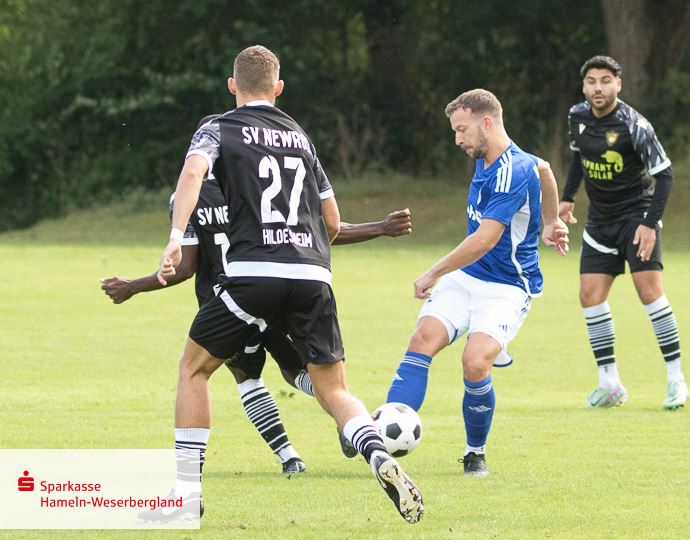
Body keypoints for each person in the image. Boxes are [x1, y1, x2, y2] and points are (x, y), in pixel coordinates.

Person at [141, 45, 423, 524]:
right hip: (314, 275)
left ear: (233, 86)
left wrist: (174, 237)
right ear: (278, 88)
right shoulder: (300, 136)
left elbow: (193, 172)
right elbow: (331, 222)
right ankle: (376, 453)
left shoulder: (218, 128)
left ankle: (187, 496)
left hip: (253, 273)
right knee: (333, 388)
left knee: (194, 369)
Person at [100, 125, 413, 474]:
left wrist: (134, 285)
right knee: (302, 372)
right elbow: (317, 230)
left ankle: (285, 457)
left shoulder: (186, 198)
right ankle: (354, 426)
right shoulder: (254, 182)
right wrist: (379, 228)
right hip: (281, 290)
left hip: (228, 298)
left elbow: (185, 267)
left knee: (235, 376)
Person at [383, 89, 568, 477]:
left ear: (487, 123)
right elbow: (547, 168)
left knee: (474, 361)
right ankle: (379, 438)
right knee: (421, 341)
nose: (457, 140)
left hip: (507, 287)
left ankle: (474, 453)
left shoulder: (511, 170)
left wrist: (432, 272)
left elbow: (485, 240)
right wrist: (552, 220)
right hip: (466, 278)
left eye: (462, 130)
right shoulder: (499, 158)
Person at [561, 55, 689, 409]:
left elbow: (665, 176)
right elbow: (577, 158)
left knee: (649, 294)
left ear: (618, 84)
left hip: (636, 217)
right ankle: (609, 383)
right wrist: (567, 198)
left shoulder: (635, 125)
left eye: (605, 81)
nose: (597, 88)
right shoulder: (577, 117)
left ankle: (676, 380)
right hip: (599, 221)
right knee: (590, 295)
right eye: (591, 81)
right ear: (584, 86)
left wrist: (649, 225)